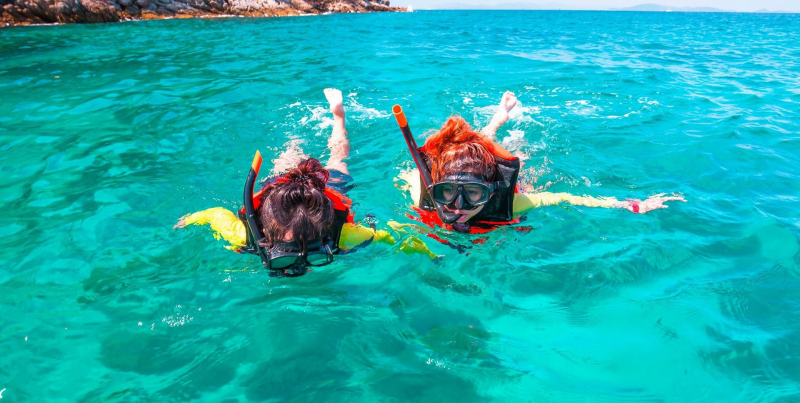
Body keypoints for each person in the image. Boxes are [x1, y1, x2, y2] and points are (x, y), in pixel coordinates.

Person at [176, 89, 435, 277]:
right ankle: (293, 144)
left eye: (314, 255)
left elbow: (392, 235)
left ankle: (339, 116)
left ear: (326, 238)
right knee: (288, 165)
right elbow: (212, 215)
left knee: (338, 157)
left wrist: (430, 253)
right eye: (286, 257)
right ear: (266, 239)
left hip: (326, 190)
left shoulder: (341, 235)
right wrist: (189, 219)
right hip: (282, 191)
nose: (300, 267)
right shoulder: (247, 235)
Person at [397, 91, 685, 234]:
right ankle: (496, 120)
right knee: (471, 151)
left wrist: (628, 204)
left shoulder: (513, 204)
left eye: (473, 194)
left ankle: (497, 121)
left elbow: (562, 196)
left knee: (504, 157)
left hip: (498, 178)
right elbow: (406, 174)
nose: (457, 206)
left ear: (492, 192)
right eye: (446, 192)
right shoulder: (425, 196)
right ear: (434, 188)